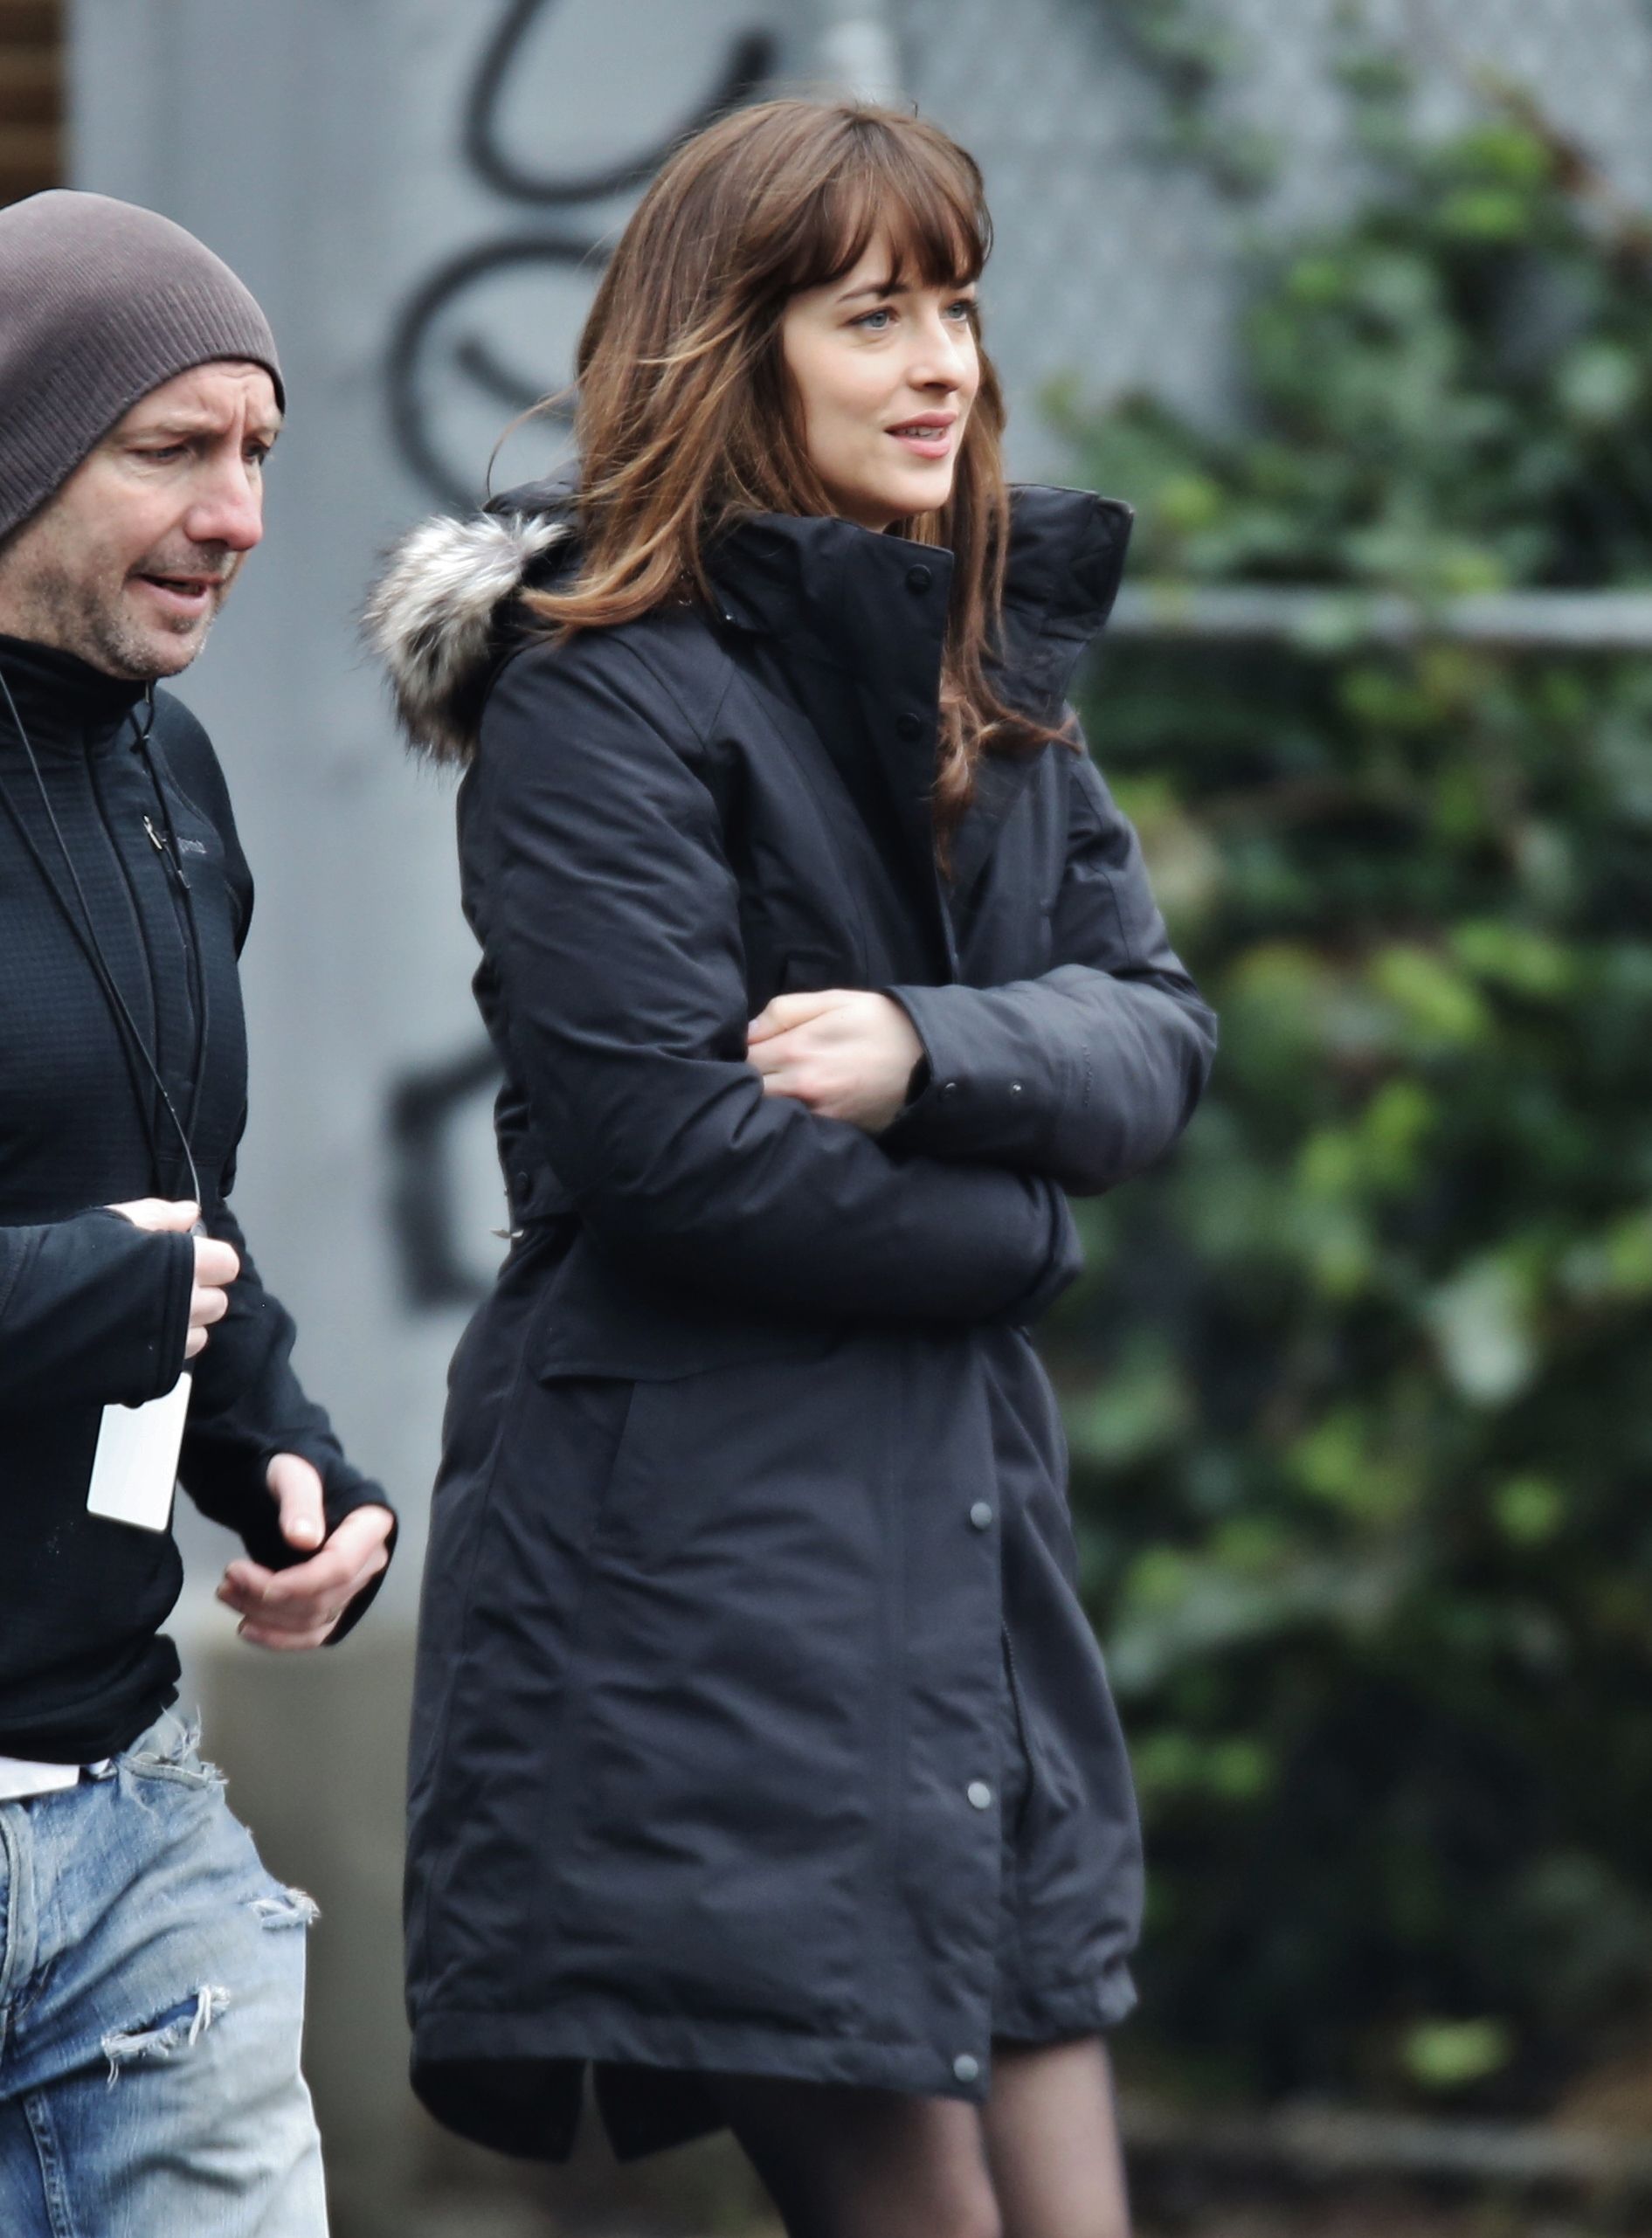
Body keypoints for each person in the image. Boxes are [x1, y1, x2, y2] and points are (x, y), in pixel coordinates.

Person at [370, 100, 1213, 2238]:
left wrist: (934, 1048)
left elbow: (1153, 1035)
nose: (940, 366)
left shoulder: (983, 673)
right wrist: (1019, 1224)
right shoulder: (595, 697)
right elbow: (675, 1151)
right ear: (731, 350)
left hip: (964, 1551)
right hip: (698, 1584)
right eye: (871, 317)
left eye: (956, 308)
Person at [0, 190, 395, 2238]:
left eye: (257, 455)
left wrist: (284, 1451)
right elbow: (113, 1271)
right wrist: (91, 1295)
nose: (236, 516)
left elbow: (179, 1211)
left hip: (125, 1812)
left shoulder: (176, 781)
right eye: (172, 450)